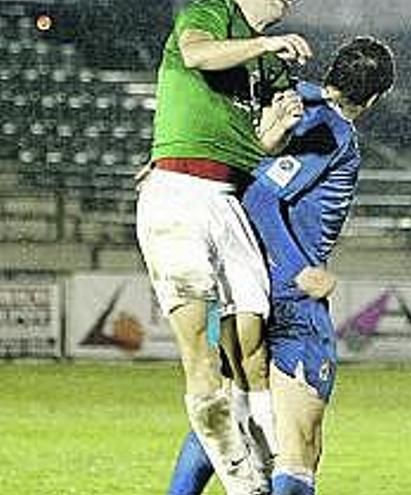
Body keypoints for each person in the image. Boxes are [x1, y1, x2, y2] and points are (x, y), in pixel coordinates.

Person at [164, 36, 397, 495]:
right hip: (288, 300)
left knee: (230, 417)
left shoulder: (287, 98)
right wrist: (297, 269)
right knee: (299, 446)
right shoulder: (332, 131)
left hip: (242, 287)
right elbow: (262, 195)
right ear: (373, 98)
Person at [136, 0, 313, 493]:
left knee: (252, 354)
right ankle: (245, 484)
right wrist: (263, 44)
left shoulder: (272, 67)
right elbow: (196, 55)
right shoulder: (211, 11)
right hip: (177, 195)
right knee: (202, 357)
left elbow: (257, 147)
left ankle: (272, 468)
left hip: (227, 202)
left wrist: (276, 131)